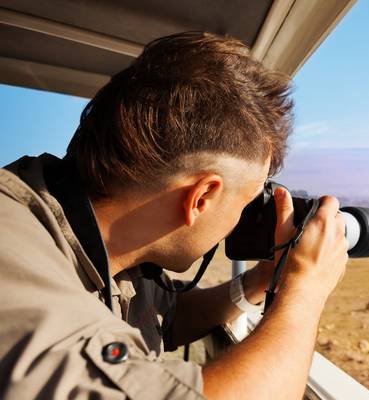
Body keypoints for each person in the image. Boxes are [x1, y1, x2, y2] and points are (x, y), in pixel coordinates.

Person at [0, 32, 348, 399]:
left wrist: (261, 280)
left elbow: (170, 315)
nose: (242, 218)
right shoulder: (14, 257)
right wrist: (305, 291)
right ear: (201, 198)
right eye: (246, 200)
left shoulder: (99, 244)